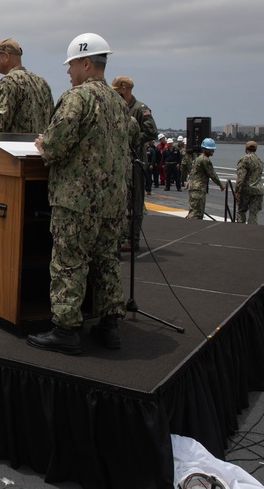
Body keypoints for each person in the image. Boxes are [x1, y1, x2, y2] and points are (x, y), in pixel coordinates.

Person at [26, 33, 130, 355]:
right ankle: (110, 325)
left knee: (69, 263)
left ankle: (66, 329)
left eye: (71, 65)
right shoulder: (119, 102)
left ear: (86, 63)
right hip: (111, 201)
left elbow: (55, 147)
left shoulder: (77, 97)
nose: (68, 72)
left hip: (76, 200)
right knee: (107, 261)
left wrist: (43, 144)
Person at [111, 75, 158, 252]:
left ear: (124, 89)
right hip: (124, 162)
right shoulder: (122, 108)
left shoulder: (140, 109)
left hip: (136, 162)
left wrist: (133, 141)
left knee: (136, 201)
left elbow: (151, 132)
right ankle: (123, 236)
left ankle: (134, 239)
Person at [185, 138, 225, 220]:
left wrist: (189, 181)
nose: (212, 151)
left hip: (196, 187)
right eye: (210, 149)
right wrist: (220, 185)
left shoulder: (199, 158)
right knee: (195, 214)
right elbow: (212, 174)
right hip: (198, 189)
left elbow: (193, 171)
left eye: (213, 149)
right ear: (204, 149)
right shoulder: (204, 160)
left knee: (197, 212)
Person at [234, 141, 264, 224]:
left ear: (246, 148)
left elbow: (241, 177)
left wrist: (237, 190)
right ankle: (252, 230)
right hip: (258, 190)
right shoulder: (260, 161)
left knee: (241, 211)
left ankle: (241, 230)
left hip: (246, 190)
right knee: (253, 214)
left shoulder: (244, 159)